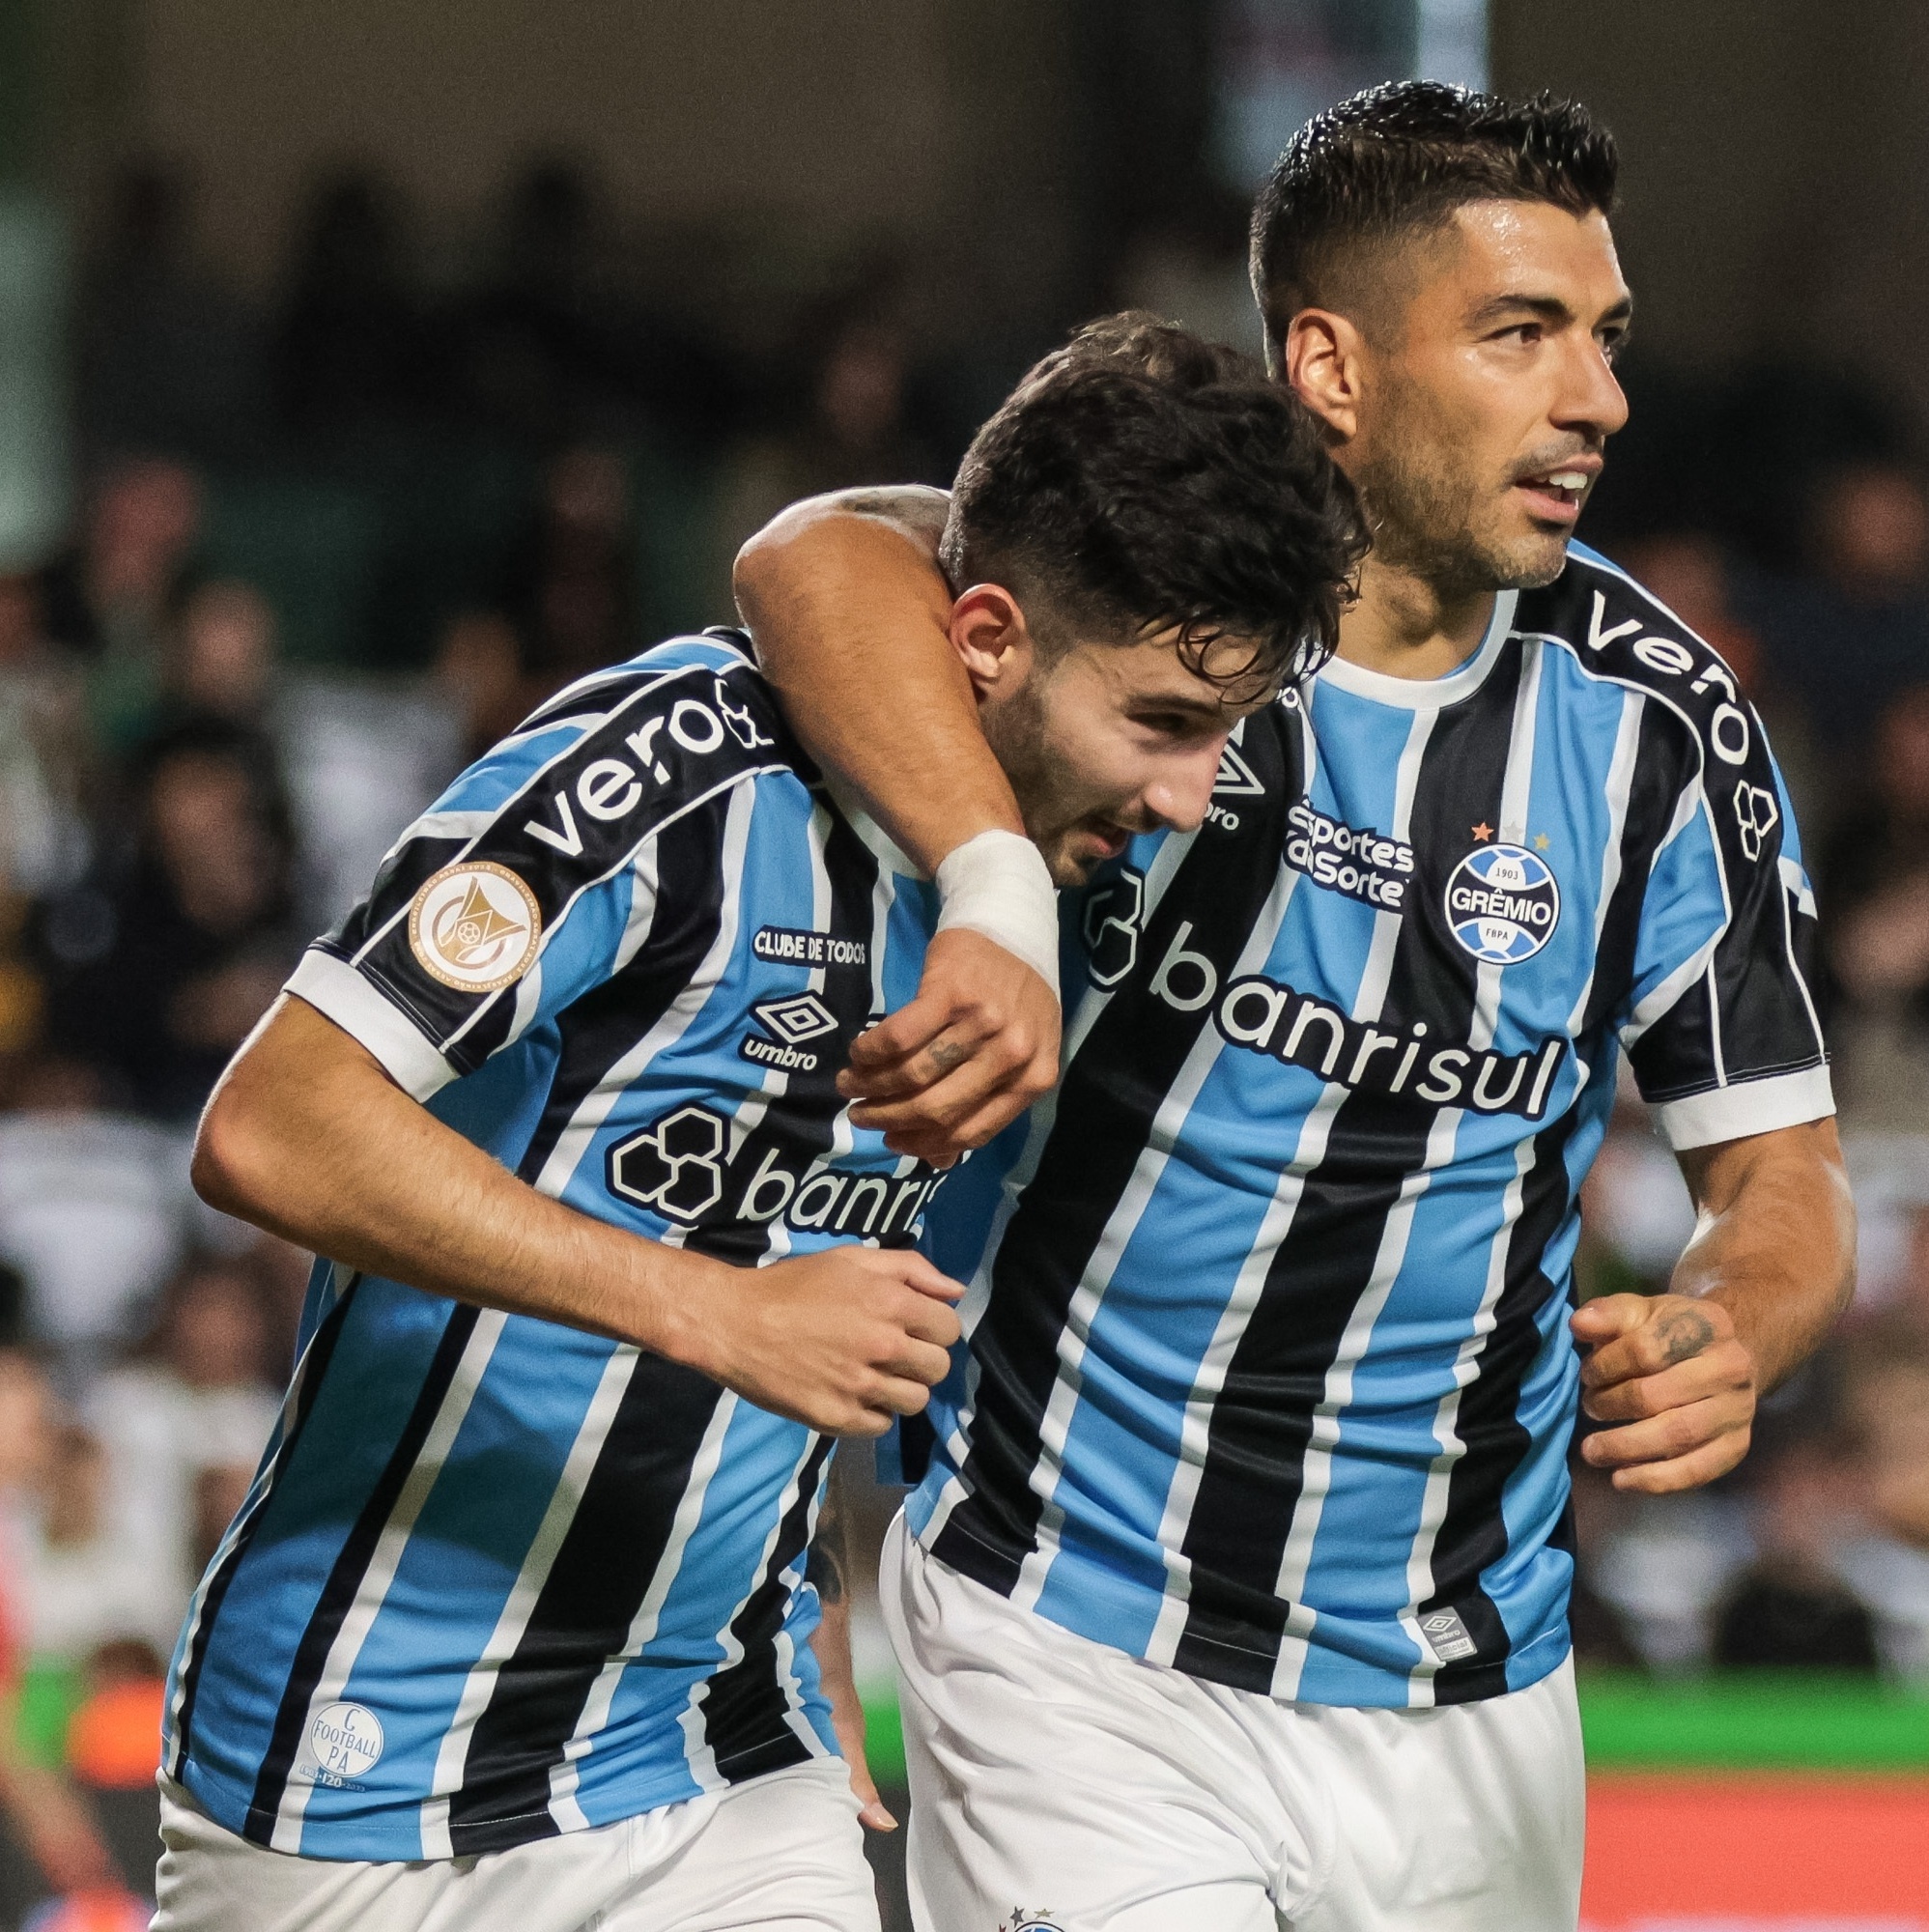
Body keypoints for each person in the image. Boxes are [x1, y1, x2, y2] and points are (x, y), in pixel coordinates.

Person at [732, 83, 1858, 1932]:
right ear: (1328, 365)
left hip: (1470, 1686)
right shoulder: (1160, 593)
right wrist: (998, 889)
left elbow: (1786, 1176)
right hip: (1074, 1631)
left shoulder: (1657, 728)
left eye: (1605, 340)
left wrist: (1733, 1323)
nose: (1596, 401)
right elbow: (811, 558)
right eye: (1520, 335)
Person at [155, 325, 1363, 1930]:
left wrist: (803, 1574)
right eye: (1157, 723)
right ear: (988, 638)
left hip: (721, 1754)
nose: (1190, 795)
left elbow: (829, 1244)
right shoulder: (679, 770)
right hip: (360, 1773)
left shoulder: (1059, 888)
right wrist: (711, 1310)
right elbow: (274, 1130)